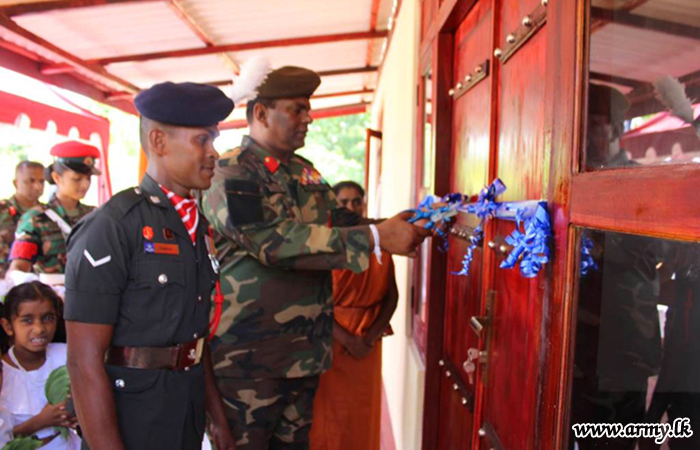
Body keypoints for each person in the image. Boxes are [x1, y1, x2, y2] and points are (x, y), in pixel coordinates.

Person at [200, 64, 429, 449]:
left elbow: (340, 222)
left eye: (308, 109)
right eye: (297, 109)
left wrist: (400, 224)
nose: (308, 118)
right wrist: (377, 237)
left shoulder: (303, 172)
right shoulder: (232, 171)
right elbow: (272, 241)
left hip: (304, 355)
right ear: (261, 113)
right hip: (247, 361)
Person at [63, 82, 236, 450]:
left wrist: (217, 418)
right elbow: (82, 362)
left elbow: (193, 336)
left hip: (185, 406)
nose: (214, 153)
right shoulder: (113, 226)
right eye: (202, 140)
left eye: (213, 140)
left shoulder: (195, 226)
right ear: (158, 141)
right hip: (132, 414)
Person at [309, 181, 398, 450]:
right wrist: (348, 340)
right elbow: (315, 301)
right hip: (332, 339)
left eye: (356, 201)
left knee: (363, 413)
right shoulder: (325, 246)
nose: (351, 207)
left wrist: (368, 338)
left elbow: (391, 296)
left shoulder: (380, 245)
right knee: (329, 416)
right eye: (344, 202)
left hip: (368, 341)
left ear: (364, 205)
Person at [0, 281, 80, 449]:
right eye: (27, 320)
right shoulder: (3, 373)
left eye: (48, 318)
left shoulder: (67, 355)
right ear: (8, 326)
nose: (39, 329)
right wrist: (41, 421)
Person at [8, 142, 98, 275]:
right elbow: (18, 269)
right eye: (77, 179)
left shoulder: (95, 216)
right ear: (56, 177)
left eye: (88, 178)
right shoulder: (34, 219)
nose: (85, 184)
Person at [0, 161, 45, 278]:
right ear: (16, 183)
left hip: (38, 281)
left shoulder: (47, 214)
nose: (38, 187)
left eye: (41, 181)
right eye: (30, 181)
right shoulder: (2, 210)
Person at [585, 83, 636, 170]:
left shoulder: (636, 174)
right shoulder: (582, 169)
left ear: (617, 130)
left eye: (594, 124)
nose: (586, 135)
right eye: (583, 127)